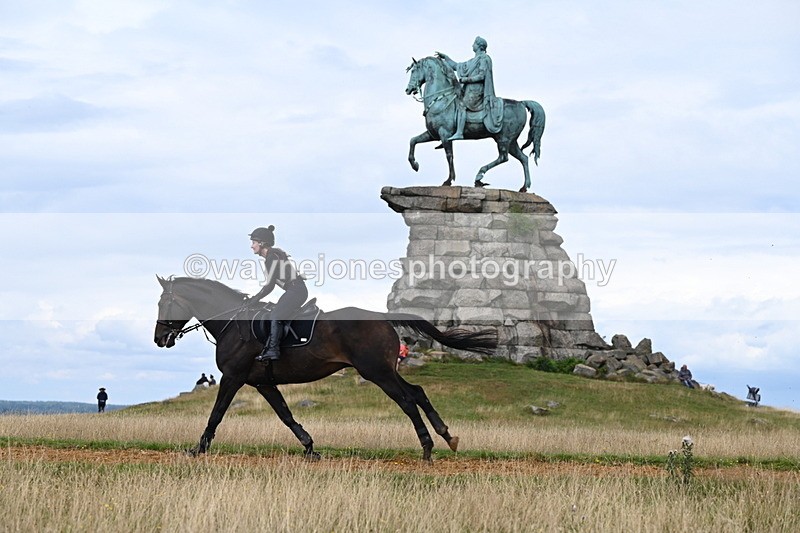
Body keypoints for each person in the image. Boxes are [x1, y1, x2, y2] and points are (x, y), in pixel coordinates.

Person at [245, 225, 308, 362]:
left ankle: (273, 350)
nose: (252, 246)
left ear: (262, 243)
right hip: (295, 290)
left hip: (296, 291)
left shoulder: (272, 257)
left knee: (275, 315)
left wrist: (255, 299)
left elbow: (270, 286)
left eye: (254, 242)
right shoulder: (273, 255)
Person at [436, 36, 501, 140]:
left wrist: (466, 79)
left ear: (479, 46)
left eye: (474, 43)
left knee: (461, 105)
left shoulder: (484, 58)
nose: (472, 45)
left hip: (476, 91)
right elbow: (456, 66)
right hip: (468, 90)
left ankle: (459, 132)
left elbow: (482, 76)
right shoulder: (472, 61)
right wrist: (446, 58)